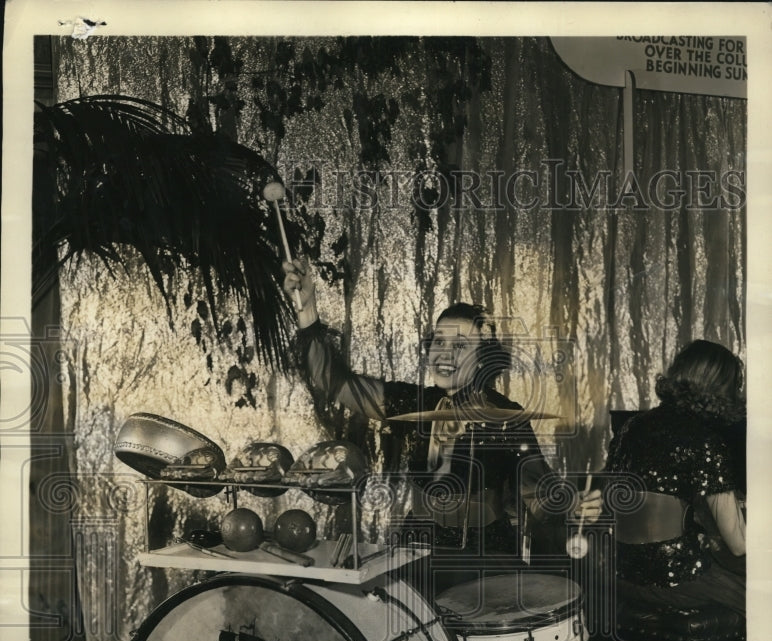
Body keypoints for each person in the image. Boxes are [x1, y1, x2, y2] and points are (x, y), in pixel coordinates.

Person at [283, 258, 602, 564]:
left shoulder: (507, 417)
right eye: (439, 342)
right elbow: (331, 381)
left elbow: (538, 493)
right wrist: (307, 310)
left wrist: (574, 506)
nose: (445, 354)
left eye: (461, 346)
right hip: (417, 547)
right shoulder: (411, 403)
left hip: (487, 555)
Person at [604, 339, 746, 615]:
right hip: (677, 580)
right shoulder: (705, 441)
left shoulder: (632, 427)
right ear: (723, 388)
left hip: (623, 574)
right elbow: (739, 545)